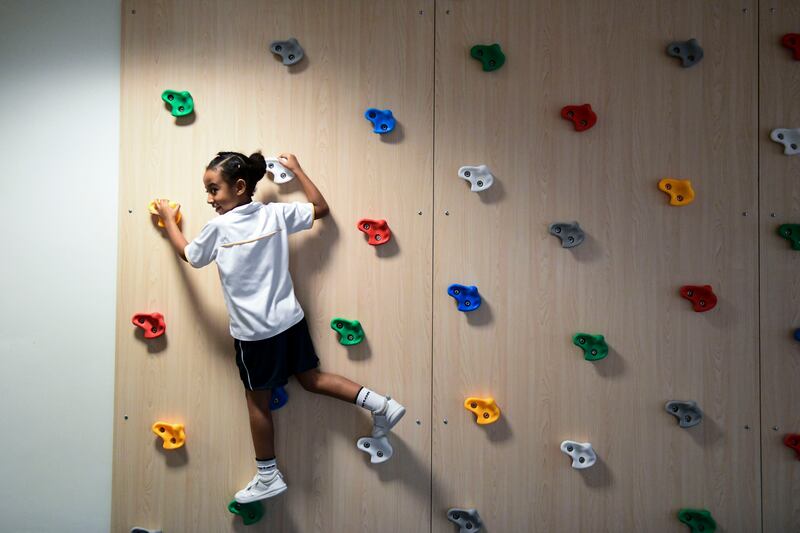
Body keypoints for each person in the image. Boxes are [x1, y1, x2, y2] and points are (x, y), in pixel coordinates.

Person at [155, 151, 405, 503]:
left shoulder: (219, 228)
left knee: (257, 403)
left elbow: (191, 257)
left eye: (214, 190)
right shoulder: (274, 214)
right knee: (312, 379)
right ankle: (381, 404)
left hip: (254, 335)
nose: (209, 199)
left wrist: (169, 222)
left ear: (240, 187)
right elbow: (320, 209)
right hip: (290, 321)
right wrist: (298, 170)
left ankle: (268, 475)